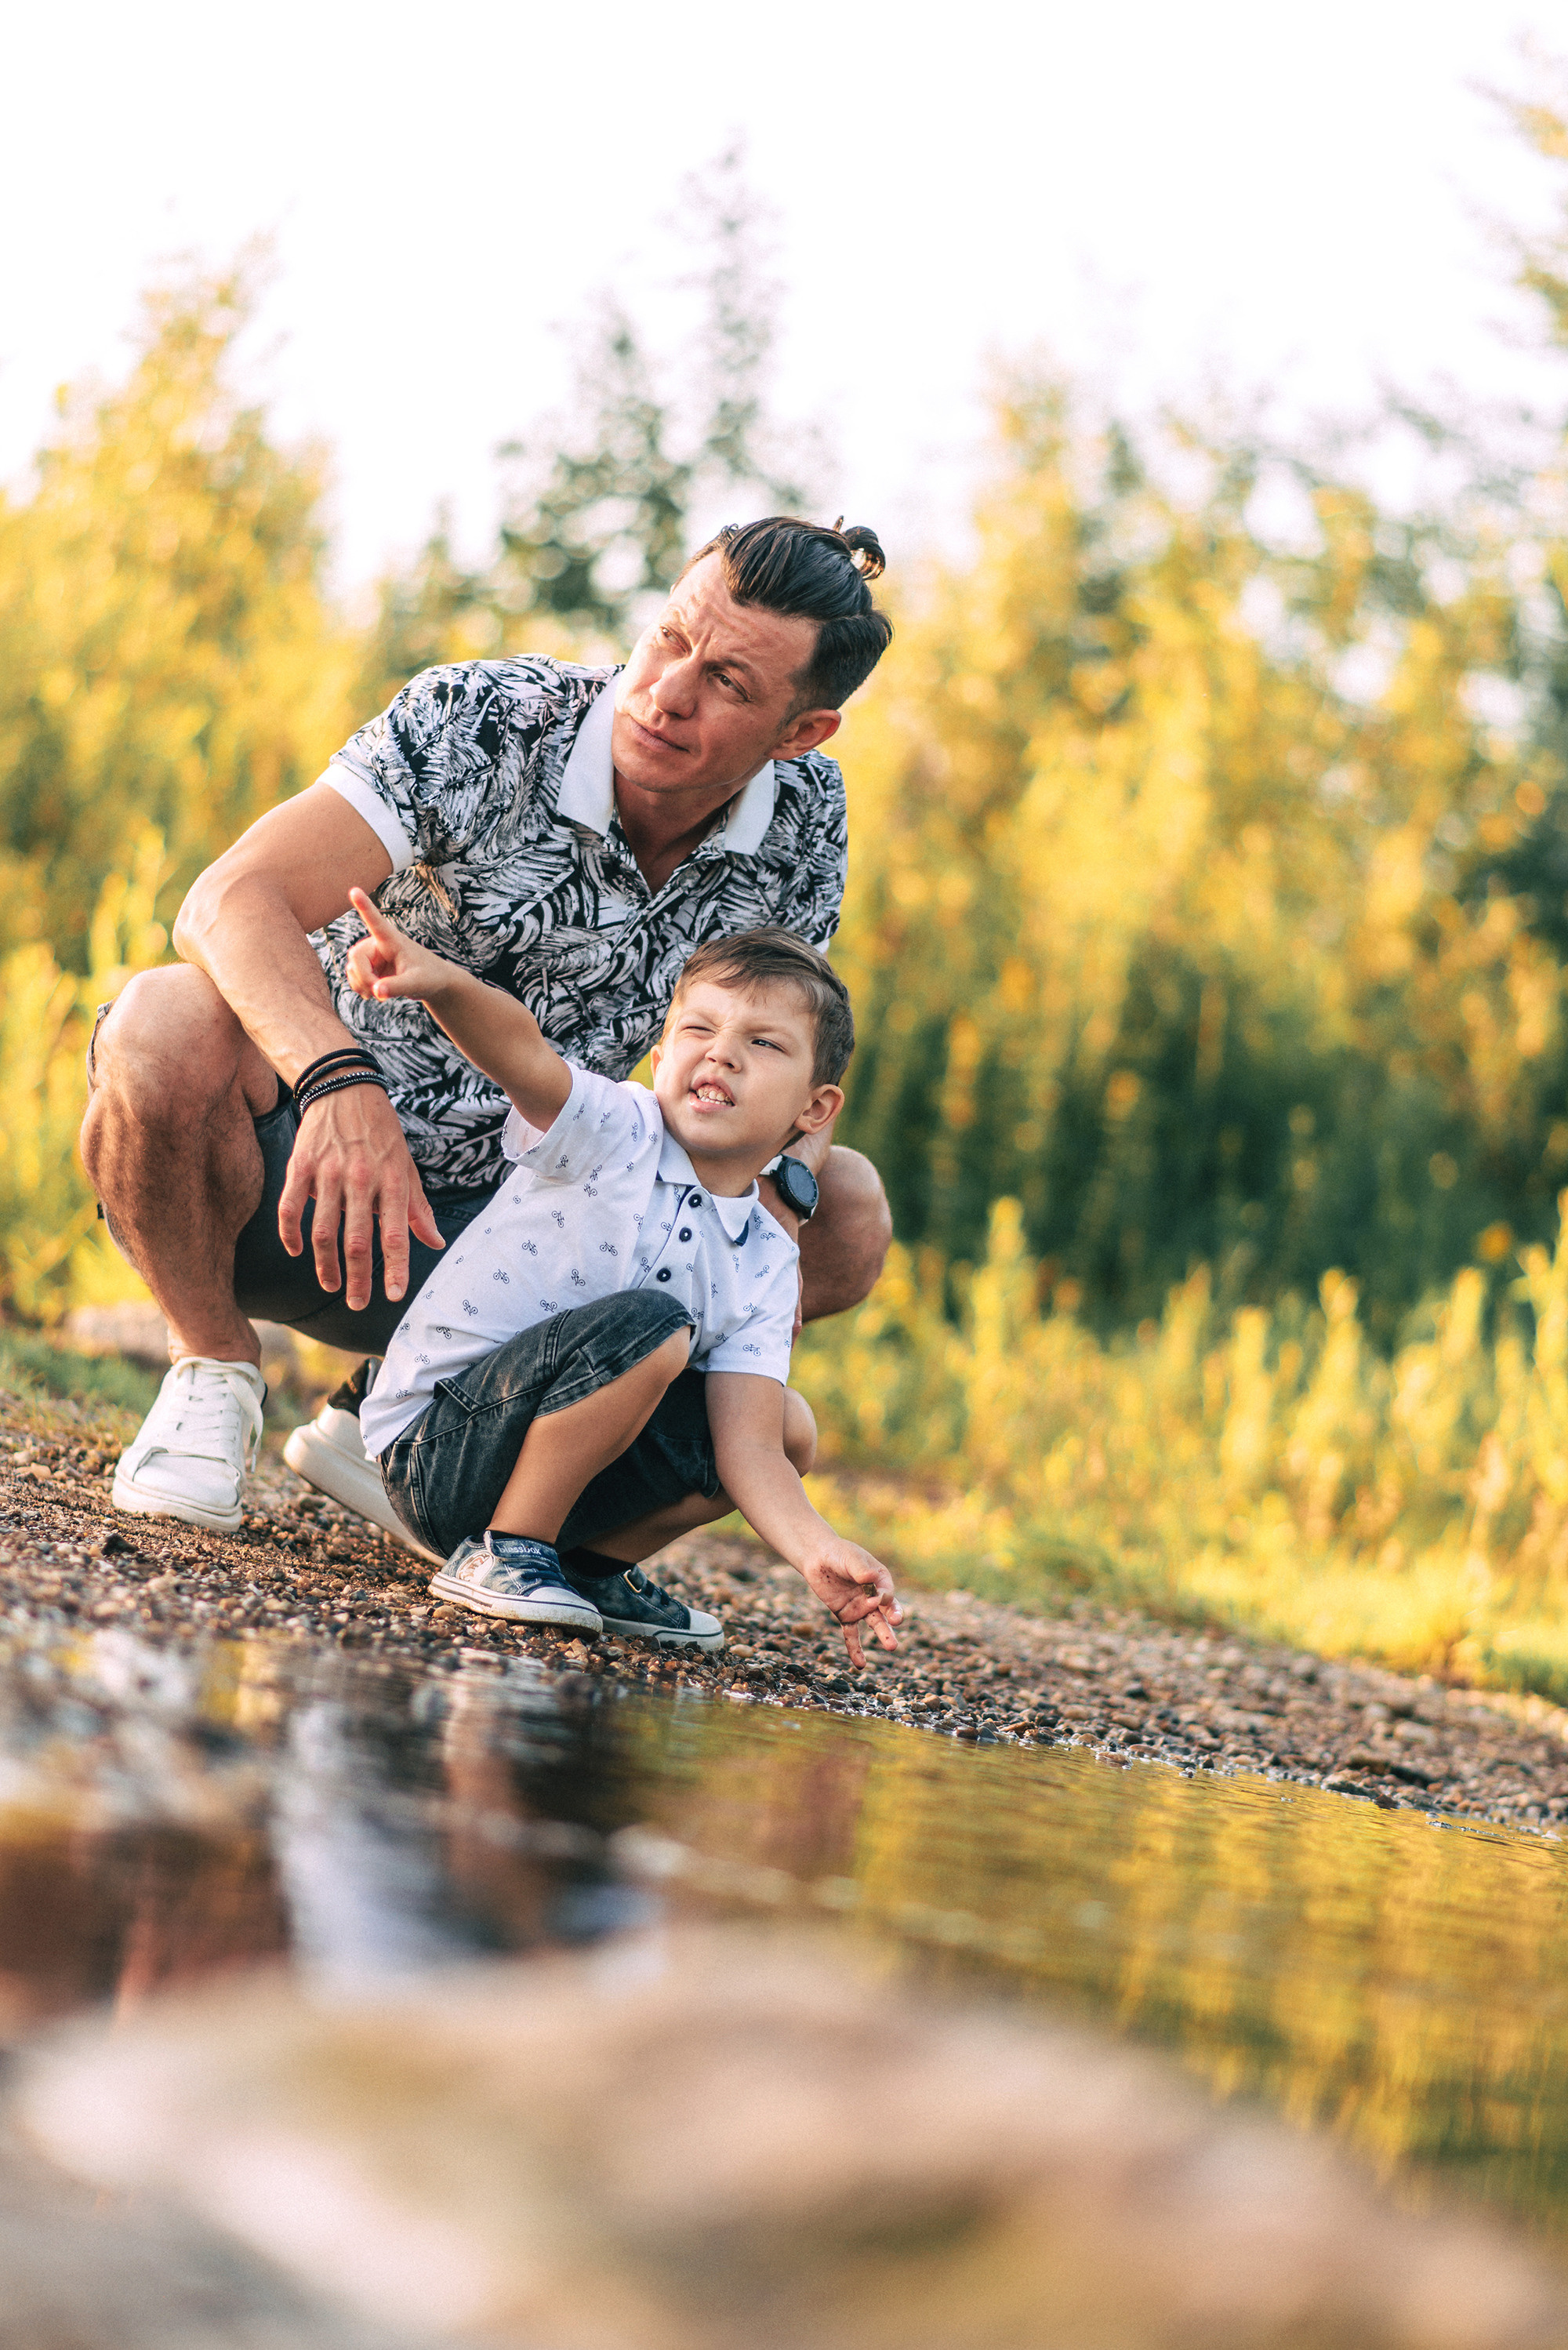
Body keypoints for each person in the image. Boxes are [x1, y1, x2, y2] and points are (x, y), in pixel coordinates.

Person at [81, 518, 895, 1538]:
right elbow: (226, 899)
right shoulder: (486, 719)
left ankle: (418, 1443)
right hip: (290, 1174)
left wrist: (776, 1190)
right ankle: (211, 1368)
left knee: (844, 1211)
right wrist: (338, 1081)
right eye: (671, 637)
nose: (669, 691)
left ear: (799, 733)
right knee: (161, 1018)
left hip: (513, 1250)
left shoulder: (805, 815)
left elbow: (783, 1058)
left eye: (729, 682)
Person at [346, 897, 902, 1663]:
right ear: (660, 1058)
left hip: (554, 1468)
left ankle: (588, 1567)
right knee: (653, 1327)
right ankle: (510, 1549)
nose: (722, 1054)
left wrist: (818, 1552)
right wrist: (442, 983)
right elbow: (520, 1051)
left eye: (763, 1043)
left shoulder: (768, 1258)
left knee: (785, 1426)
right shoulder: (614, 1129)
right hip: (440, 1448)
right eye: (698, 1030)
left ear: (814, 1109)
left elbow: (746, 1450)